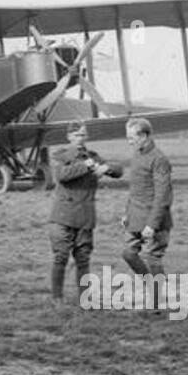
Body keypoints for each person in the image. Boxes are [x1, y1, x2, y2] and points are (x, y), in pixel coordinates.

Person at [48, 121, 122, 304]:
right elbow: (62, 176)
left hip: (85, 217)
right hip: (63, 217)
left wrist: (107, 168)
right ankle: (57, 298)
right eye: (77, 135)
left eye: (83, 135)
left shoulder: (93, 156)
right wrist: (87, 166)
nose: (80, 139)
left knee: (83, 259)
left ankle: (85, 299)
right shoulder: (60, 155)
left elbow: (119, 170)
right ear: (69, 137)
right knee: (61, 257)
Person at [121, 117, 173, 311]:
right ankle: (152, 285)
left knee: (153, 258)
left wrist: (152, 224)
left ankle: (158, 302)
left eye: (131, 137)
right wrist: (127, 214)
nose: (129, 141)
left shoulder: (159, 159)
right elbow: (135, 189)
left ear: (143, 135)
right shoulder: (137, 155)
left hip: (154, 220)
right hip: (135, 217)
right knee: (128, 253)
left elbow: (163, 195)